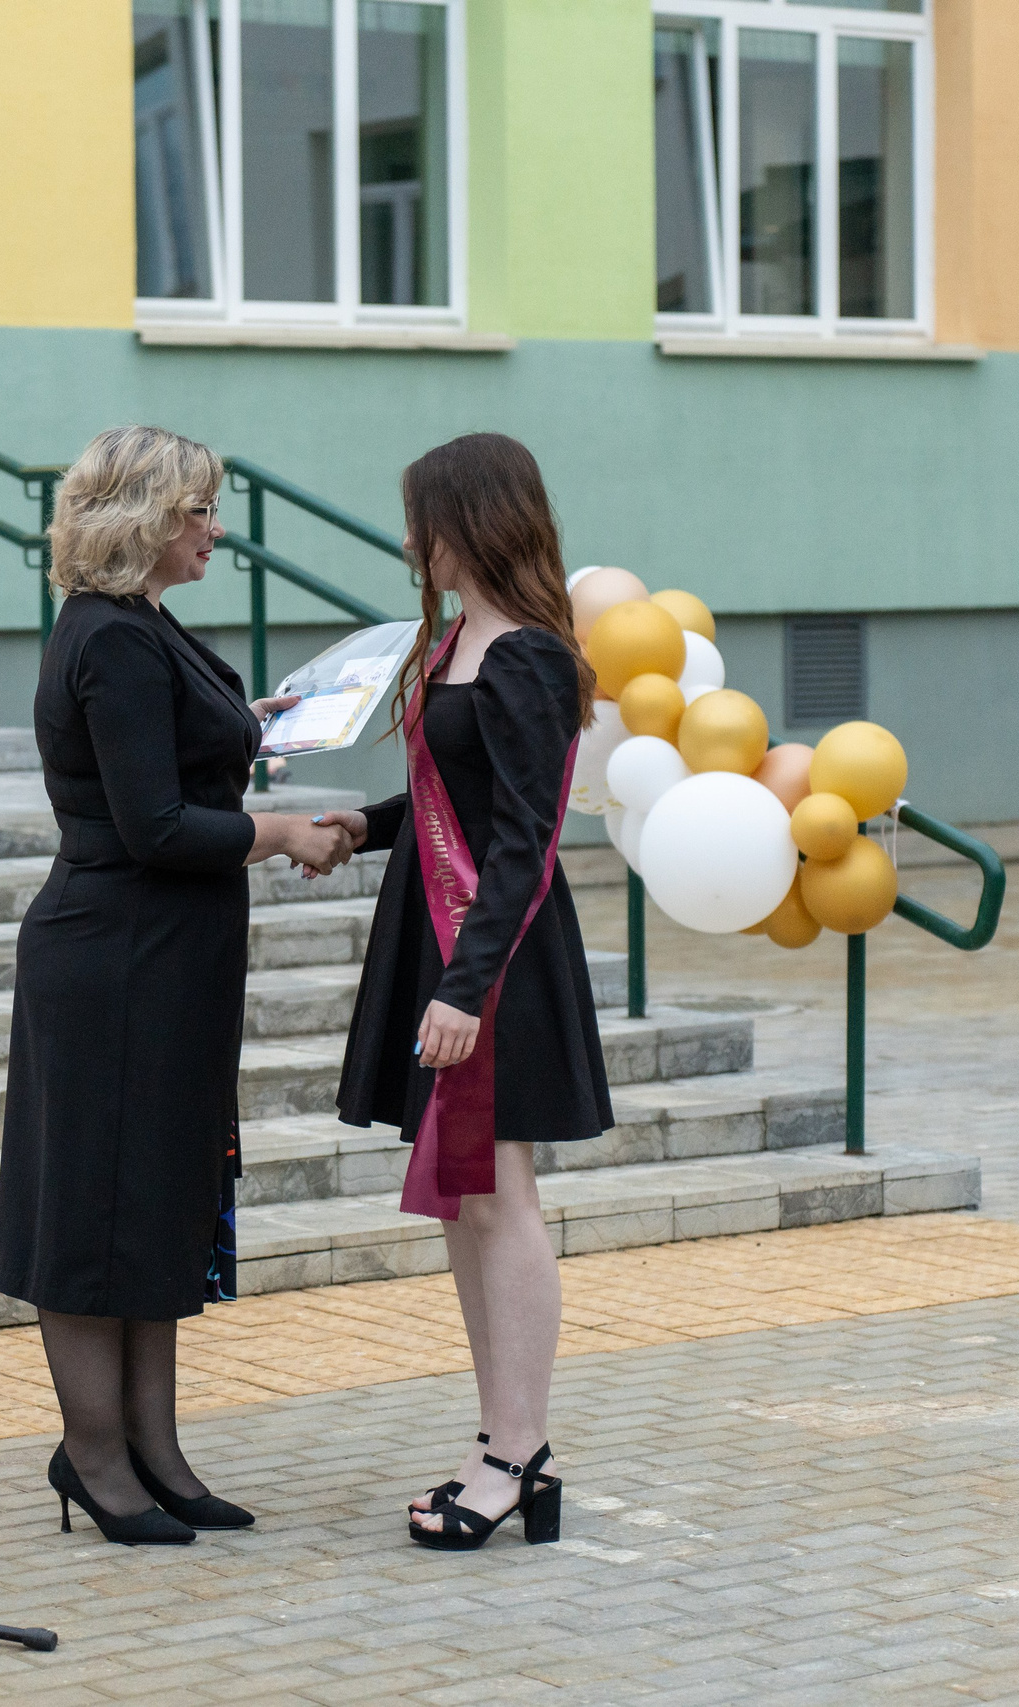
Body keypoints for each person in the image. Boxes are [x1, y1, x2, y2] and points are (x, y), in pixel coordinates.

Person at [0, 425, 357, 1545]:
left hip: (172, 958)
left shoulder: (147, 625)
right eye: (198, 511)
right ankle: (94, 1457)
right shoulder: (106, 636)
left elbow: (173, 758)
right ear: (143, 517)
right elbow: (149, 825)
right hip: (115, 958)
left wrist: (252, 733)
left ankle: (156, 1450)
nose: (215, 530)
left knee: (156, 1196)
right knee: (95, 1207)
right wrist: (280, 829)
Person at [315, 432, 611, 1552]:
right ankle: (497, 1439)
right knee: (465, 1197)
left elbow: (525, 842)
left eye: (421, 520)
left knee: (501, 1195)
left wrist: (466, 987)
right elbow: (457, 795)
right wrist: (365, 824)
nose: (408, 542)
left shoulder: (527, 655)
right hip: (442, 941)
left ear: (470, 521)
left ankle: (517, 1455)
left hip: (495, 954)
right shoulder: (452, 644)